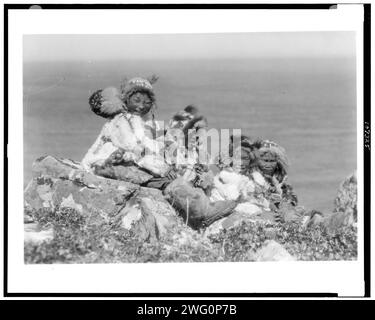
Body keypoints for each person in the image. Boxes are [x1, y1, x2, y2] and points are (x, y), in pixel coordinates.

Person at [81, 76, 173, 183]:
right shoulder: (121, 121)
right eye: (136, 100)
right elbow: (136, 149)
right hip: (122, 164)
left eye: (147, 103)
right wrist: (164, 168)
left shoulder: (143, 121)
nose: (141, 106)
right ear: (126, 99)